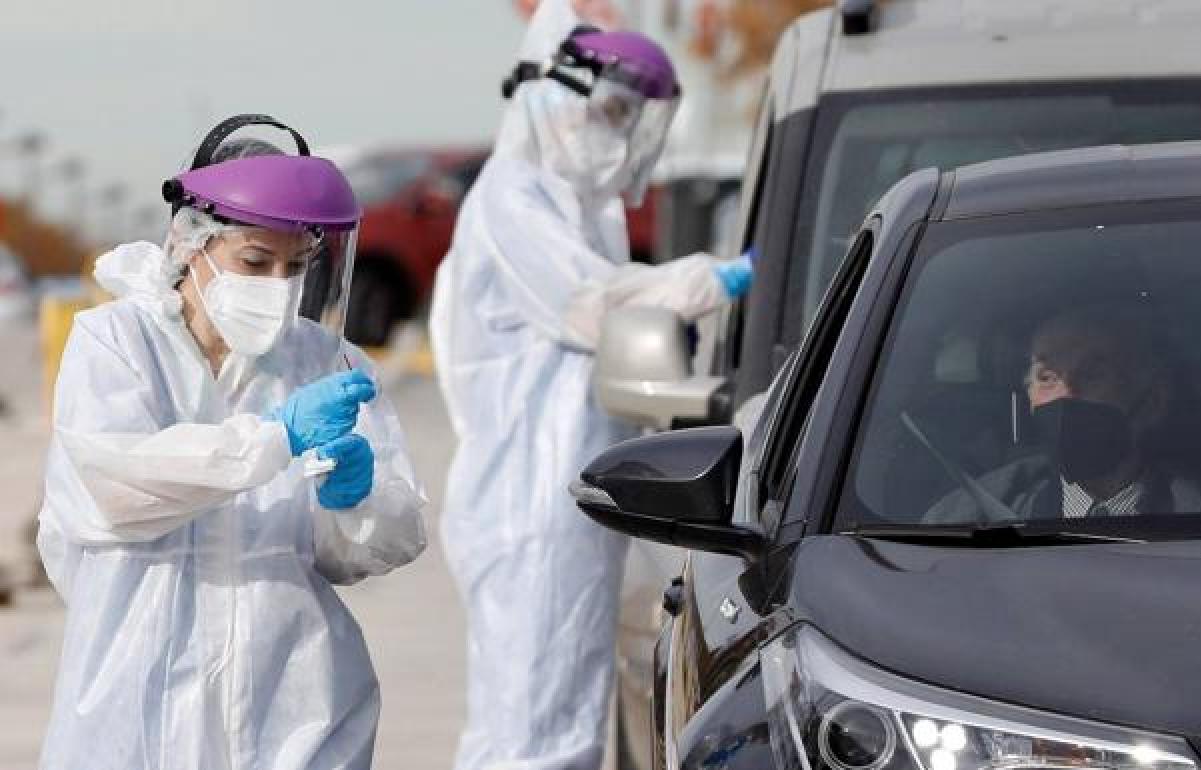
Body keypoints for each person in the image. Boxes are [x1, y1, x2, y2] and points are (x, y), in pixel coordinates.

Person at [36, 116, 427, 770]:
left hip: (295, 707)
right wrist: (272, 439)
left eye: (295, 266)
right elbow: (118, 493)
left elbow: (384, 539)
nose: (276, 286)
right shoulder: (116, 344)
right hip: (136, 710)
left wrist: (355, 504)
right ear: (192, 243)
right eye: (254, 260)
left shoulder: (324, 363)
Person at [429, 3, 753, 768]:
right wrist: (720, 276)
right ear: (552, 97)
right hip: (527, 504)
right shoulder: (512, 199)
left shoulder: (583, 211)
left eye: (628, 116)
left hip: (573, 502)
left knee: (567, 720)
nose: (614, 132)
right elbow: (595, 305)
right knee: (527, 729)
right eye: (607, 111)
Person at [925, 303, 1201, 522]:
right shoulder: (961, 519)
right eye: (1048, 377)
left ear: (1152, 402)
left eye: (1093, 375)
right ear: (1027, 400)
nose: (1067, 395)